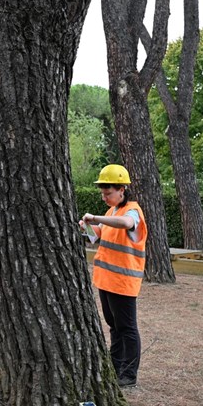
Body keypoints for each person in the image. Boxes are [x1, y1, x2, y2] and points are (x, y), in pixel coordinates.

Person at [80, 164, 147, 388]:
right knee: (114, 326)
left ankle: (128, 375)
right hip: (106, 281)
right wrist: (86, 226)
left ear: (122, 189)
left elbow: (127, 224)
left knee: (127, 328)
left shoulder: (132, 211)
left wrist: (95, 217)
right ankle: (115, 366)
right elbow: (93, 238)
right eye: (102, 193)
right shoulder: (112, 211)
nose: (104, 197)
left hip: (123, 283)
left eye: (108, 193)